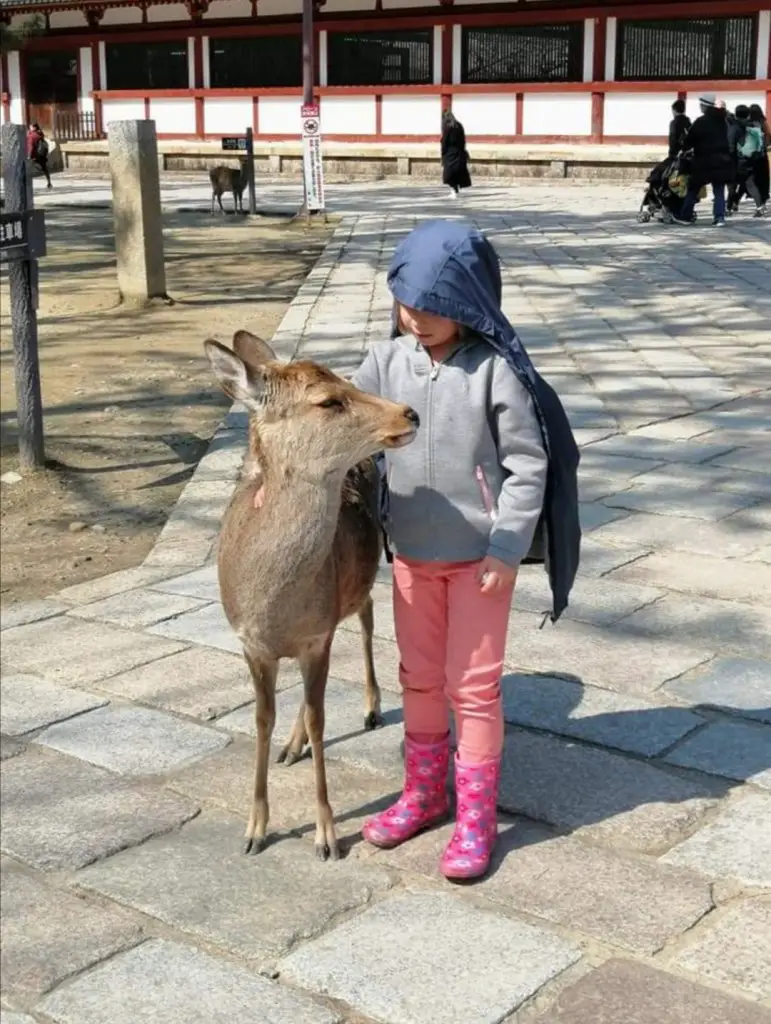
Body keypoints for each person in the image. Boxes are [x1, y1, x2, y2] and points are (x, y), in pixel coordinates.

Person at [351, 220, 580, 881]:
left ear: (469, 300)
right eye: (407, 303)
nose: (416, 318)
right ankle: (423, 793)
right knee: (418, 678)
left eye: (434, 306)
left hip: (481, 561)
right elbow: (345, 437)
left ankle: (477, 815)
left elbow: (526, 465)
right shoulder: (383, 365)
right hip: (412, 556)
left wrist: (506, 547)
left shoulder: (494, 374)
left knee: (472, 688)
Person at [676, 94, 734, 226]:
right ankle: (719, 217)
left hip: (703, 160)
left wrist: (685, 145)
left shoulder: (701, 121)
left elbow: (689, 140)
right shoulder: (724, 119)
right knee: (719, 189)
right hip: (722, 159)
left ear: (704, 106)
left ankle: (685, 216)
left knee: (693, 188)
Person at [727, 105, 766, 217]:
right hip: (750, 160)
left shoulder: (734, 127)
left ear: (736, 114)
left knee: (732, 186)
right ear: (747, 114)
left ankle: (729, 208)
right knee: (750, 184)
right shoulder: (753, 127)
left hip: (736, 162)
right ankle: (760, 207)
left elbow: (731, 146)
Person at [440, 110, 471, 199]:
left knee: (449, 174)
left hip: (450, 153)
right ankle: (455, 189)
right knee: (457, 173)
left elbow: (444, 142)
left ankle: (454, 190)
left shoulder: (447, 127)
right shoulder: (459, 125)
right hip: (459, 152)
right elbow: (463, 140)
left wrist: (443, 154)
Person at [749, 103, 770, 204]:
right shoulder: (763, 122)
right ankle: (764, 196)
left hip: (752, 154)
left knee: (753, 177)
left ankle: (757, 198)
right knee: (763, 177)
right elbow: (768, 135)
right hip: (762, 154)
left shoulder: (749, 123)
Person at [26, 122, 52, 189]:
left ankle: (26, 185)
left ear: (34, 128)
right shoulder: (40, 134)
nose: (29, 128)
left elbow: (31, 146)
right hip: (42, 154)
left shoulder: (31, 136)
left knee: (26, 169)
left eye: (30, 127)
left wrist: (29, 156)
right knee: (44, 168)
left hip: (35, 155)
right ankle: (49, 182)